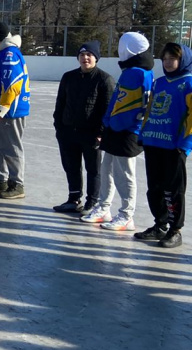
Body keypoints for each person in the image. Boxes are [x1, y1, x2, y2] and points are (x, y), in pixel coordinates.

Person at [83, 32, 154, 231]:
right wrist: (108, 121)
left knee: (125, 174)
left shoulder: (138, 73)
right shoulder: (131, 71)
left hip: (127, 131)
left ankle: (126, 214)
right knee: (107, 169)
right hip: (116, 128)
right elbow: (117, 100)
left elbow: (131, 106)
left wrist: (115, 124)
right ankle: (104, 207)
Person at [133, 42, 192, 248]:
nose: (167, 62)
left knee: (173, 190)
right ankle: (160, 225)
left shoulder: (189, 82)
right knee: (155, 188)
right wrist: (143, 133)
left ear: (182, 59)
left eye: (172, 58)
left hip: (173, 146)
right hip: (153, 141)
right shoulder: (159, 82)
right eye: (165, 58)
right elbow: (150, 110)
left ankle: (175, 230)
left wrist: (185, 143)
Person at [52, 41, 114, 214]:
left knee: (93, 169)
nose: (85, 58)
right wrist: (59, 126)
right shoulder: (68, 77)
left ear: (96, 58)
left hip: (91, 133)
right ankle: (73, 199)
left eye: (89, 55)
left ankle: (92, 202)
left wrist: (101, 133)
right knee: (71, 166)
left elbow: (107, 108)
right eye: (82, 55)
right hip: (68, 131)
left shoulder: (104, 79)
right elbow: (60, 103)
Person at [0, 22, 30, 200]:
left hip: (10, 111)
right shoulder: (1, 53)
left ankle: (17, 183)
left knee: (11, 146)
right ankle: (1, 179)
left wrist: (2, 107)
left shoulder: (9, 54)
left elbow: (13, 83)